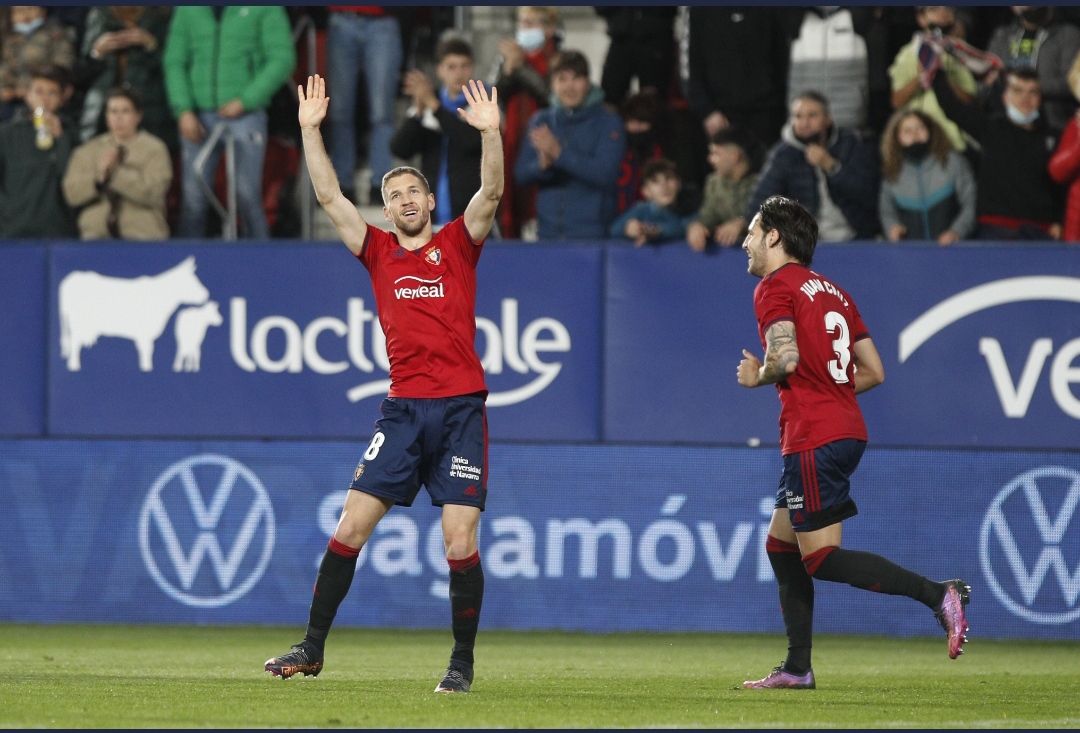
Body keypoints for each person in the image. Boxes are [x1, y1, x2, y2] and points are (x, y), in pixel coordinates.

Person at [264, 74, 503, 695]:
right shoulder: (376, 251)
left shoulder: (457, 244)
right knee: (348, 528)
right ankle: (311, 649)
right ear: (387, 207)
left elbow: (493, 191)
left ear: (429, 200)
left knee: (459, 538)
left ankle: (461, 661)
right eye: (392, 193)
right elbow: (327, 196)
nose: (403, 199)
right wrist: (310, 129)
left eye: (412, 190)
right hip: (402, 413)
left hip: (458, 412)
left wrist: (491, 133)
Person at [735, 195, 970, 690]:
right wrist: (827, 389)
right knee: (780, 545)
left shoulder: (774, 287)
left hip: (814, 435)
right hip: (844, 428)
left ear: (775, 236)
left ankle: (939, 593)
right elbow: (874, 371)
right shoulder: (835, 292)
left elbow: (787, 359)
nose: (746, 241)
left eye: (753, 231)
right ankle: (798, 668)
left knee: (819, 559)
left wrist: (758, 377)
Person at [163, 6, 295, 239]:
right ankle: (186, 263)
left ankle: (265, 263)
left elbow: (282, 59)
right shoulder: (188, 9)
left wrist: (246, 100)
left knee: (247, 195)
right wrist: (183, 110)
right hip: (197, 114)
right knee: (193, 200)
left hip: (246, 115)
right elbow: (174, 60)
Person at [933, 67, 1062, 239]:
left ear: (1040, 99)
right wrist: (935, 73)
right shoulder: (991, 129)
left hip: (1041, 233)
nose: (1025, 98)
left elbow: (1064, 185)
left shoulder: (1054, 138)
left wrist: (1060, 221)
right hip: (995, 231)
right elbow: (952, 107)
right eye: (1017, 90)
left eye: (1033, 92)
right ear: (1005, 96)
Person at [514, 50, 625, 240]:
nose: (569, 86)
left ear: (588, 82)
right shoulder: (541, 120)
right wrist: (541, 165)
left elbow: (606, 174)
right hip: (547, 234)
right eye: (561, 79)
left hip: (592, 236)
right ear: (552, 83)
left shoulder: (609, 121)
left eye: (576, 78)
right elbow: (520, 174)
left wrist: (558, 153)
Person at [746, 91, 880, 242]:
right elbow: (760, 203)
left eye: (812, 115)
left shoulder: (851, 144)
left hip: (857, 237)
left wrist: (832, 166)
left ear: (828, 119)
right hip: (804, 244)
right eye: (798, 116)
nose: (804, 123)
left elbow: (869, 194)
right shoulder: (783, 154)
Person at [390, 37, 481, 226]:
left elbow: (470, 142)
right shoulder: (430, 103)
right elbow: (400, 149)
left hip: (470, 218)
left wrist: (434, 105)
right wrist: (419, 111)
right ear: (440, 70)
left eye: (464, 66)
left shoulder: (480, 103)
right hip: (431, 217)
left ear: (472, 68)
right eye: (451, 67)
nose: (459, 73)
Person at [62, 86, 172, 240]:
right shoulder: (88, 150)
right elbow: (71, 194)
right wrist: (98, 180)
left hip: (142, 236)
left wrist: (115, 174)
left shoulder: (155, 149)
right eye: (113, 111)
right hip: (96, 236)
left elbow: (154, 192)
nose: (118, 118)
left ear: (138, 116)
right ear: (106, 115)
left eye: (125, 111)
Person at [491, 5, 561, 239]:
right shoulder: (508, 59)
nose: (525, 28)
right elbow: (495, 99)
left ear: (549, 28)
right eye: (522, 23)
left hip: (544, 142)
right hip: (511, 141)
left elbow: (549, 97)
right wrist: (510, 71)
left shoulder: (557, 59)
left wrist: (520, 68)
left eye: (533, 23)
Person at [326, 6, 404, 205]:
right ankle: (343, 185)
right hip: (340, 18)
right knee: (340, 112)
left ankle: (381, 185)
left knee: (382, 113)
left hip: (383, 20)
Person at [0, 64, 76, 237]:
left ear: (62, 98)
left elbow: (73, 183)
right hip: (12, 232)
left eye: (52, 92)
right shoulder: (6, 134)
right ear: (27, 94)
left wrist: (61, 139)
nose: (45, 99)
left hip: (58, 232)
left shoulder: (71, 134)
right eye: (39, 91)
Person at [878, 109, 975, 244]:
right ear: (897, 138)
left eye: (920, 128)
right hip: (911, 255)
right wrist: (892, 228)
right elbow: (886, 211)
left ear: (931, 131)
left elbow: (971, 204)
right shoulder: (892, 172)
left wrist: (956, 232)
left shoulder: (953, 162)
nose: (915, 135)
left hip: (952, 250)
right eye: (907, 131)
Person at [987, 6, 1080, 131]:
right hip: (1003, 122)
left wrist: (1030, 88)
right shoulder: (1002, 35)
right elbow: (989, 77)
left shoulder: (1068, 35)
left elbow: (1072, 83)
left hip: (1051, 122)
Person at [687, 128, 762, 252]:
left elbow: (775, 217)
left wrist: (743, 223)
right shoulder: (714, 183)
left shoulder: (764, 181)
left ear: (734, 156)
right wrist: (698, 225)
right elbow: (709, 213)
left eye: (716, 153)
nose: (710, 159)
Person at [0, 6, 75, 123]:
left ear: (43, 11)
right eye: (18, 11)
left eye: (30, 9)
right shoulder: (9, 38)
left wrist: (29, 89)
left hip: (44, 92)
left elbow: (62, 67)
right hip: (14, 96)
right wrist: (5, 87)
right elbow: (5, 67)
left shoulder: (56, 33)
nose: (25, 16)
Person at [608, 158, 692, 246]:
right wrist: (628, 229)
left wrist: (656, 230)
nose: (664, 186)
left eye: (668, 178)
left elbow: (683, 228)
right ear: (646, 191)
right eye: (655, 181)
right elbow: (615, 229)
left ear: (679, 184)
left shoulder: (689, 207)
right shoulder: (641, 209)